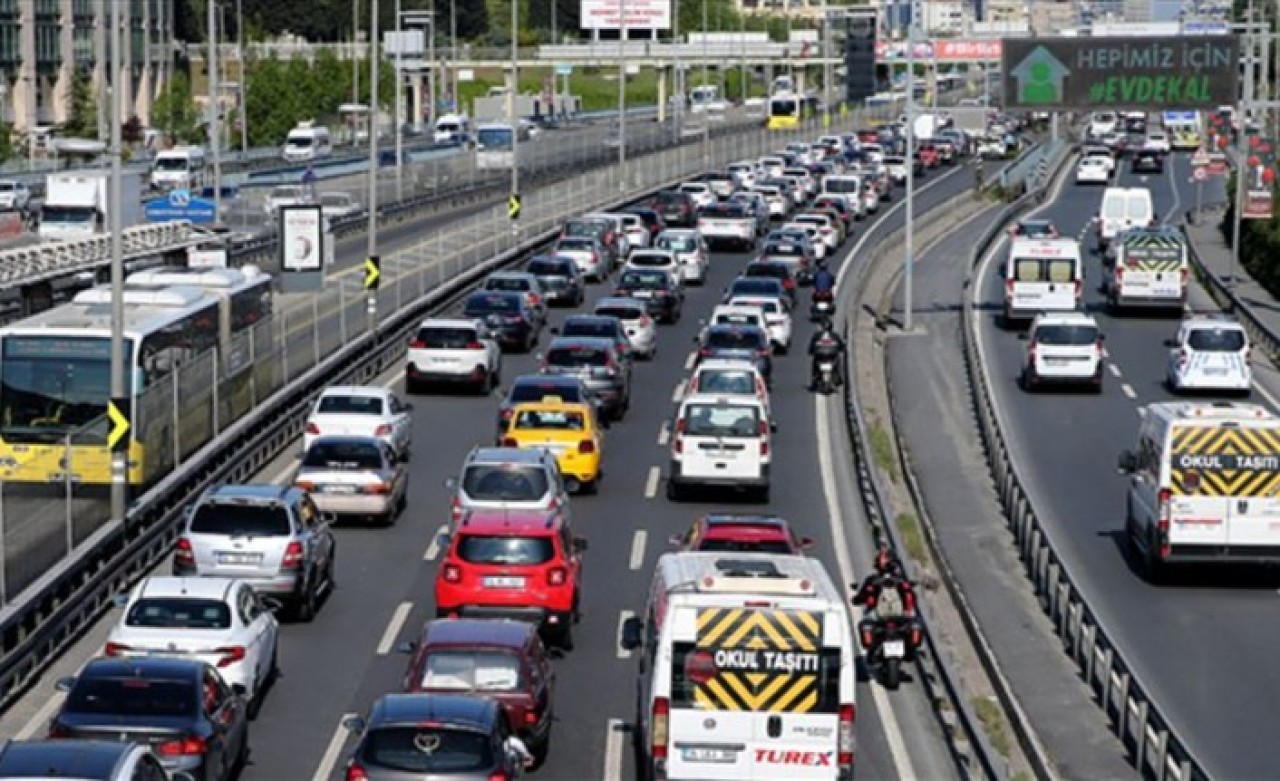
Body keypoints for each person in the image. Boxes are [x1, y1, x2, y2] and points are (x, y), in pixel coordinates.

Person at [808, 316, 846, 390]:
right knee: (837, 360)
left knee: (815, 362)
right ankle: (837, 378)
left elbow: (811, 347)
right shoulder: (835, 335)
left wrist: (811, 351)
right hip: (828, 357)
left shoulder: (817, 335)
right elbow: (841, 346)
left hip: (822, 357)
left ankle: (815, 379)